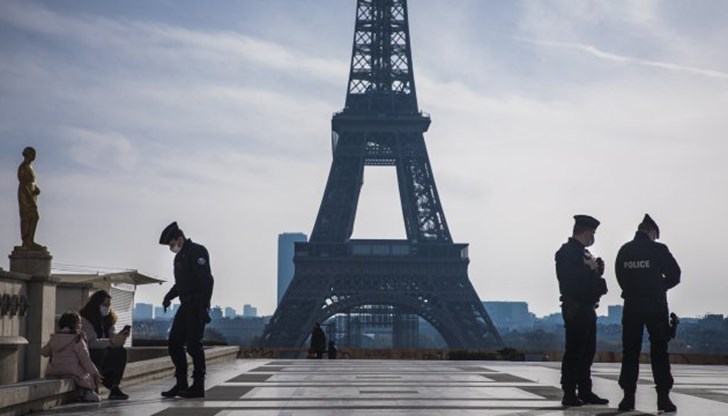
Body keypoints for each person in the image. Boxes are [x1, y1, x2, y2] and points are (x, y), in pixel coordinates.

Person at [616, 214, 681, 412]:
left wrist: (635, 290)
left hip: (632, 305)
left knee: (630, 352)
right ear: (652, 232)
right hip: (655, 306)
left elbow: (620, 277)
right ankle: (663, 398)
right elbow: (675, 275)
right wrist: (659, 287)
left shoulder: (625, 250)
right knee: (659, 351)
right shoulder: (658, 249)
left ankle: (628, 398)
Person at [554, 215, 609, 407]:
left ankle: (585, 390)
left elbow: (591, 283)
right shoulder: (567, 253)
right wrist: (589, 270)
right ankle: (569, 392)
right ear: (586, 233)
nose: (593, 237)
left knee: (587, 352)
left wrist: (596, 271)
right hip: (576, 307)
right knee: (575, 352)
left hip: (586, 306)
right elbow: (571, 282)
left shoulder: (582, 253)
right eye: (592, 233)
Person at [159, 221, 214, 398]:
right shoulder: (180, 256)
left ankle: (198, 385)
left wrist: (204, 306)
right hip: (186, 305)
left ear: (180, 238)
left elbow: (206, 280)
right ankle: (181, 384)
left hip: (197, 304)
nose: (171, 248)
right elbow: (181, 284)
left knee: (193, 345)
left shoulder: (196, 251)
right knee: (174, 343)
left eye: (172, 244)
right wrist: (168, 297)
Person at [42, 312, 103, 402]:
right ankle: (87, 392)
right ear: (74, 324)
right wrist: (95, 373)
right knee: (85, 375)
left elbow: (44, 352)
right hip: (72, 371)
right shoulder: (77, 339)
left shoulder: (54, 338)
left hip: (54, 371)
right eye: (79, 323)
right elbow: (85, 359)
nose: (81, 325)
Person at [79, 290, 130, 400]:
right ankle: (98, 385)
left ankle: (115, 387)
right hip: (91, 354)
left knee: (121, 351)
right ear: (96, 304)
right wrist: (111, 342)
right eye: (105, 305)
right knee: (104, 352)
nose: (107, 308)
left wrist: (120, 338)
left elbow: (112, 336)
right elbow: (92, 342)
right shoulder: (85, 319)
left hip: (104, 353)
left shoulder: (107, 319)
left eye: (109, 305)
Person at [17, 146, 43, 249]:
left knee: (33, 217)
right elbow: (24, 184)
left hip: (31, 194)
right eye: (33, 154)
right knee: (29, 217)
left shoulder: (29, 166)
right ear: (29, 155)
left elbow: (31, 182)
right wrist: (30, 199)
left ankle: (30, 241)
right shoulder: (23, 167)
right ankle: (27, 241)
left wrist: (35, 188)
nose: (34, 156)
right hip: (25, 196)